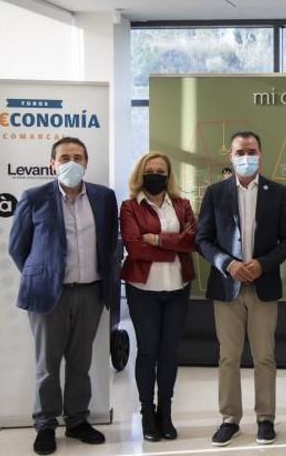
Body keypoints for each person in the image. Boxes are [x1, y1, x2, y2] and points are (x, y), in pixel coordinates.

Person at [8, 137, 119, 455]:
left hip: (91, 293)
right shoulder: (34, 197)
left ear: (86, 161)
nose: (72, 162)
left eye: (78, 157)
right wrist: (43, 275)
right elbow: (18, 248)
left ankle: (77, 421)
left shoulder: (103, 197)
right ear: (52, 163)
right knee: (47, 364)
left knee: (81, 362)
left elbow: (110, 242)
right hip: (48, 296)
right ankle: (45, 425)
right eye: (65, 157)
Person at [196, 131, 286, 447]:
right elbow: (203, 239)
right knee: (228, 357)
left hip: (263, 286)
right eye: (240, 152)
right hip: (227, 287)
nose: (246, 157)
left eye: (251, 151)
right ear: (231, 156)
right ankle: (230, 419)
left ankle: (266, 419)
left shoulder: (278, 192)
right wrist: (227, 263)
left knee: (265, 356)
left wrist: (263, 264)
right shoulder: (215, 193)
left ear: (261, 154)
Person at [120, 151, 196, 442]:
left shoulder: (182, 204)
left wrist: (159, 239)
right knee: (148, 351)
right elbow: (135, 248)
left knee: (170, 354)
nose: (155, 175)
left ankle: (165, 411)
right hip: (143, 291)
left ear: (168, 175)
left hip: (177, 289)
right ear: (141, 174)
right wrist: (172, 248)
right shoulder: (129, 207)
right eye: (150, 170)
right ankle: (146, 412)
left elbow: (191, 241)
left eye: (161, 171)